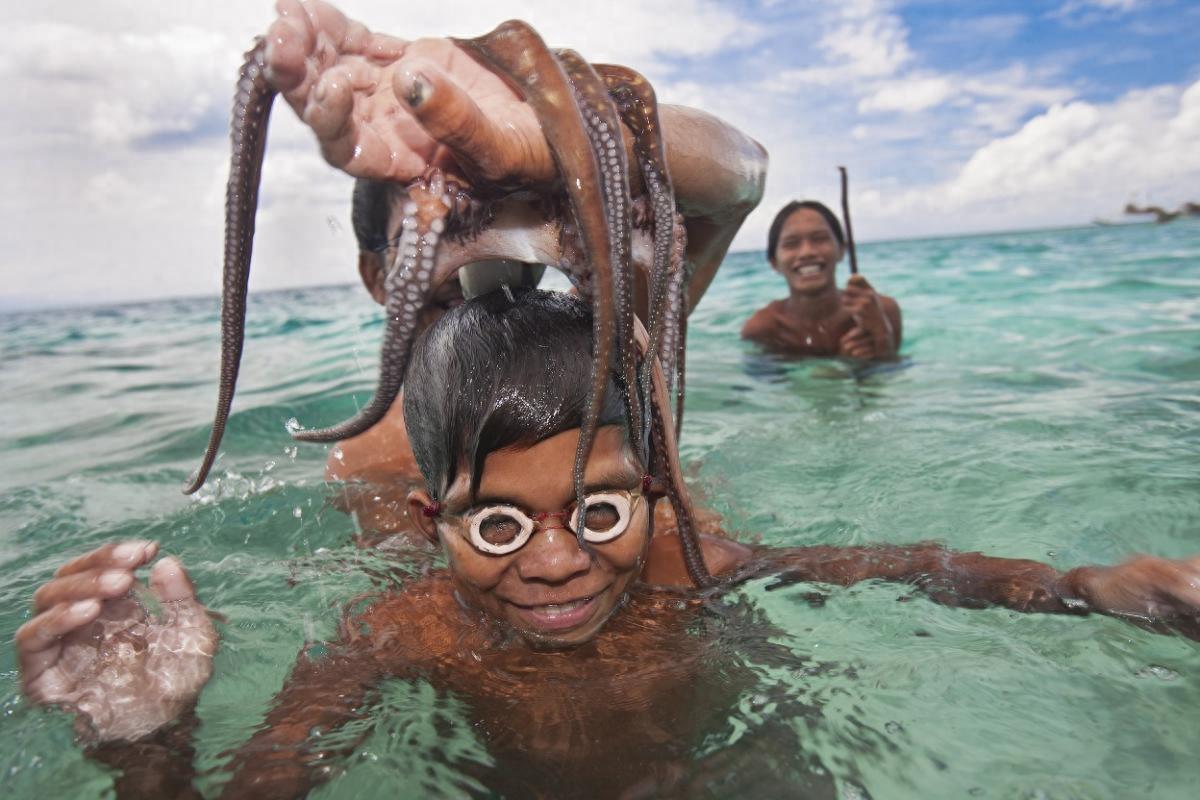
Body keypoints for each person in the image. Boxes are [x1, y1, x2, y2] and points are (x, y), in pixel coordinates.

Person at [16, 289, 1200, 798]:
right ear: (432, 527)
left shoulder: (691, 562)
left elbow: (908, 566)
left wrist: (1085, 586)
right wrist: (150, 748)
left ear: (654, 495)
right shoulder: (398, 628)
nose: (552, 562)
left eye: (597, 510)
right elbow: (268, 782)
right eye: (495, 523)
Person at [742, 200, 902, 360]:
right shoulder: (763, 330)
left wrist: (882, 337)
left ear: (841, 249)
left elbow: (893, 379)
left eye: (819, 239)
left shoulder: (881, 311)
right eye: (791, 244)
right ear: (774, 262)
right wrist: (842, 368)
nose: (807, 252)